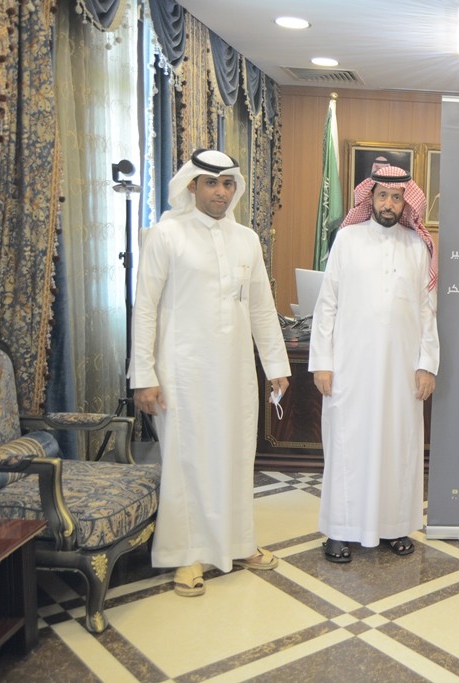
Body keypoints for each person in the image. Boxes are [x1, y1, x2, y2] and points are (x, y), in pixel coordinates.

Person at [130, 149, 291, 597]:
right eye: (211, 183)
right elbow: (145, 308)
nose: (221, 192)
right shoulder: (165, 235)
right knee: (188, 461)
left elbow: (261, 307)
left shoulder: (247, 240)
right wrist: (144, 375)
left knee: (236, 456)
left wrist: (276, 365)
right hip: (182, 371)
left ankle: (239, 543)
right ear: (192, 186)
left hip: (235, 370)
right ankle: (186, 555)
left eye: (228, 183)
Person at [310, 166, 439, 563]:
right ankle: (339, 530)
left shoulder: (417, 246)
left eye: (396, 197)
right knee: (348, 445)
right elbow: (327, 304)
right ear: (370, 197)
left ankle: (393, 526)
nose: (388, 204)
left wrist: (427, 364)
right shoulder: (347, 239)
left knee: (397, 447)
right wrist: (322, 362)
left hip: (401, 370)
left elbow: (427, 311)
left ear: (405, 202)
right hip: (351, 367)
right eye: (382, 195)